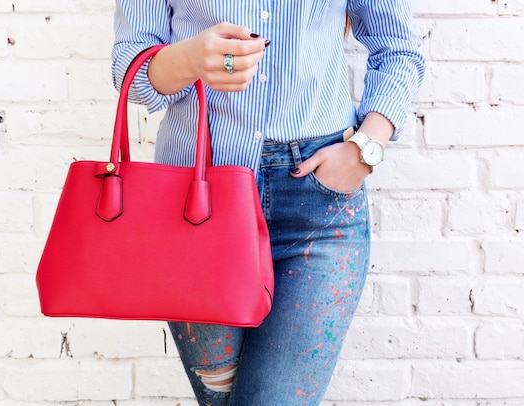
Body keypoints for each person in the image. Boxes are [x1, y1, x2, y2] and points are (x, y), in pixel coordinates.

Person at [112, 1, 424, 404]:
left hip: (320, 207)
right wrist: (190, 58)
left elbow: (398, 47)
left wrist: (365, 150)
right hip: (195, 208)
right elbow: (130, 69)